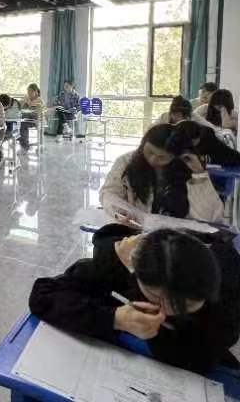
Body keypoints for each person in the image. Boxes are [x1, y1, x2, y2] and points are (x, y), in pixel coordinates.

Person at [29, 225, 240, 373]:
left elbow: (199, 359)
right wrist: (114, 318)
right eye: (156, 297)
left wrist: (146, 315)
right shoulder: (133, 262)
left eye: (185, 305)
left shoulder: (227, 291)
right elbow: (43, 295)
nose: (165, 311)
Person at [99, 123, 224, 223]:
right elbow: (109, 194)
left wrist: (199, 174)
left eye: (162, 157)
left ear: (176, 156)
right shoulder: (126, 161)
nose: (153, 159)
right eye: (150, 152)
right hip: (134, 228)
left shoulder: (186, 169)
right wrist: (121, 211)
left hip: (174, 236)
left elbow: (209, 217)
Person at [168, 120, 240, 167]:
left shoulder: (208, 138)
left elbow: (226, 156)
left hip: (224, 160)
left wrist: (201, 158)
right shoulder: (177, 139)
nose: (193, 143)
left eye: (194, 141)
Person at [19, 84, 45, 152]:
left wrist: (30, 109)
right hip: (26, 119)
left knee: (22, 124)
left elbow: (39, 113)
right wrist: (22, 103)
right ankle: (22, 142)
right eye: (28, 91)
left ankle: (24, 146)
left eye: (31, 91)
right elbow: (19, 107)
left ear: (36, 92)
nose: (29, 93)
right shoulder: (26, 98)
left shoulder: (39, 101)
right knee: (18, 123)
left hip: (36, 120)